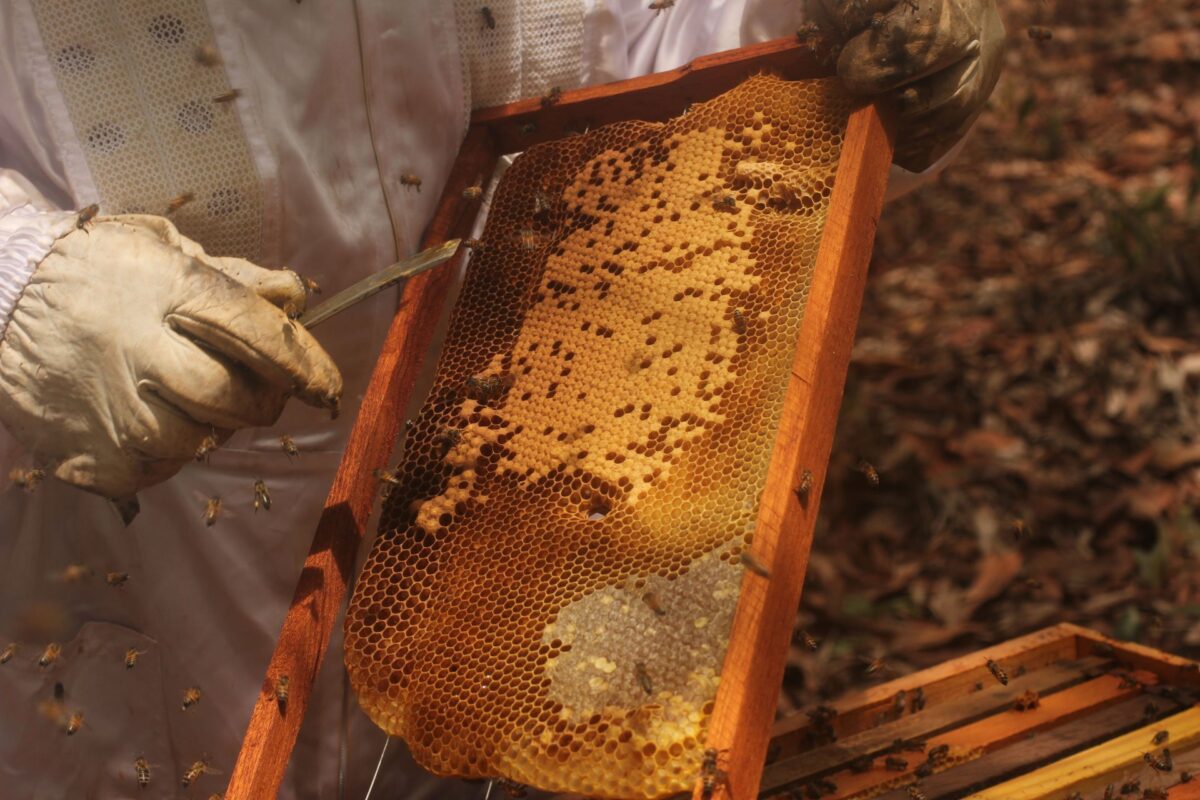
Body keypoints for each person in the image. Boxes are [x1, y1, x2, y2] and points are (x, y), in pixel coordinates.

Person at [0, 1, 1003, 797]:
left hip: (509, 509)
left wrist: (817, 33)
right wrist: (24, 287)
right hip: (121, 562)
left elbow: (623, 63)